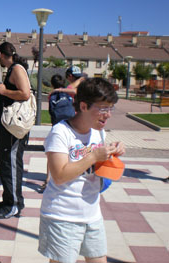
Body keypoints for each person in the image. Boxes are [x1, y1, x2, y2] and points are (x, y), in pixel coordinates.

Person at [39, 78, 125, 263]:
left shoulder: (98, 132)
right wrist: (93, 157)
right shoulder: (60, 133)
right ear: (84, 106)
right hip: (62, 216)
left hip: (92, 215)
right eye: (103, 108)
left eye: (111, 108)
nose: (108, 114)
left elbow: (95, 167)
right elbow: (59, 176)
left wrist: (112, 152)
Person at [0, 42, 31, 219]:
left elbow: (25, 94)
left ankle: (14, 205)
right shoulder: (12, 69)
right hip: (7, 126)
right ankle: (9, 199)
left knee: (11, 165)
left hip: (14, 130)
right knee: (5, 164)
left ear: (1, 54)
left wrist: (4, 90)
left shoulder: (17, 69)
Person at [37, 74, 66, 193]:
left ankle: (48, 180)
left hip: (56, 127)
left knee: (51, 153)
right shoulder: (69, 94)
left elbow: (51, 112)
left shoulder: (52, 95)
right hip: (70, 126)